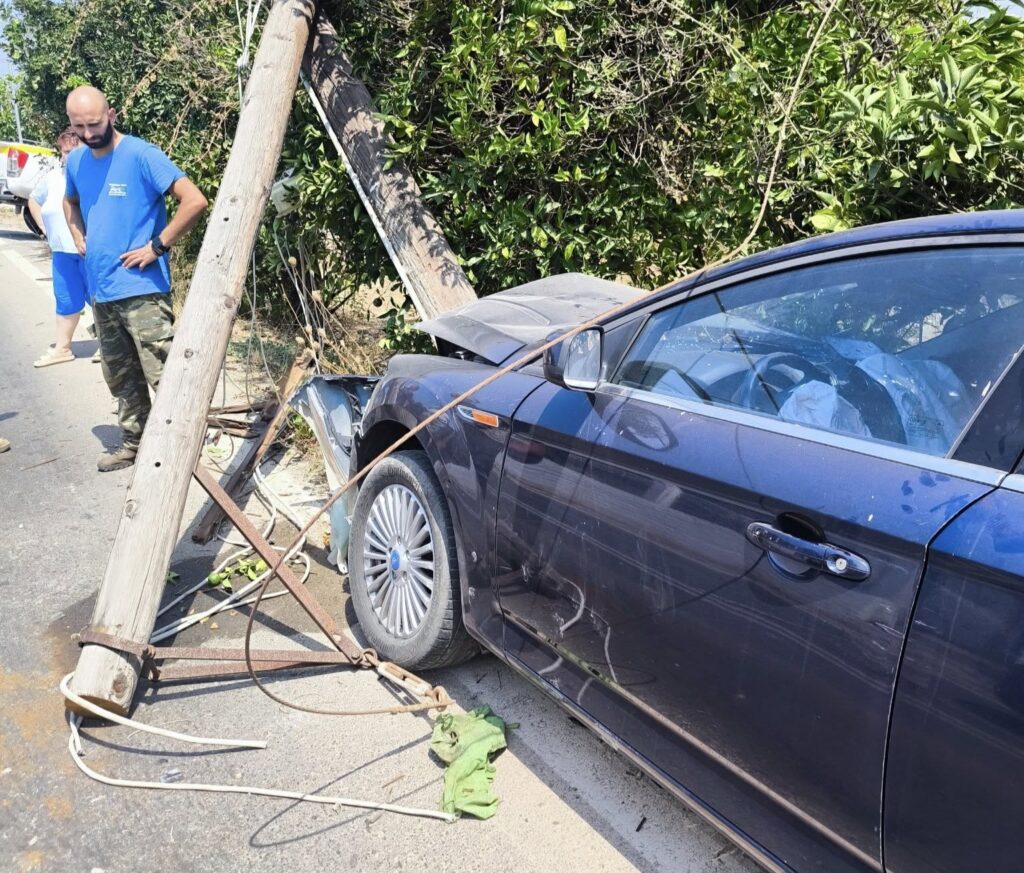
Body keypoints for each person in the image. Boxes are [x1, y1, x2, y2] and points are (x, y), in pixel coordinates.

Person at [63, 85, 208, 472]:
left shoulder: (142, 155)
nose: (89, 133)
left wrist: (157, 246)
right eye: (79, 126)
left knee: (163, 371)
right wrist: (77, 233)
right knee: (120, 375)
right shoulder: (76, 161)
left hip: (142, 290)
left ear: (111, 113)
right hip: (102, 290)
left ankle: (183, 450)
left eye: (94, 123)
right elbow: (71, 201)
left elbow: (194, 200)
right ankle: (134, 444)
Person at [27, 128, 97, 368]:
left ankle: (109, 347)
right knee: (66, 299)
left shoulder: (92, 174)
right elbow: (34, 201)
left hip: (88, 249)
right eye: (64, 151)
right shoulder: (53, 177)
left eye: (71, 151)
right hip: (61, 251)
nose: (66, 156)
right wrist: (43, 229)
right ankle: (63, 348)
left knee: (99, 298)